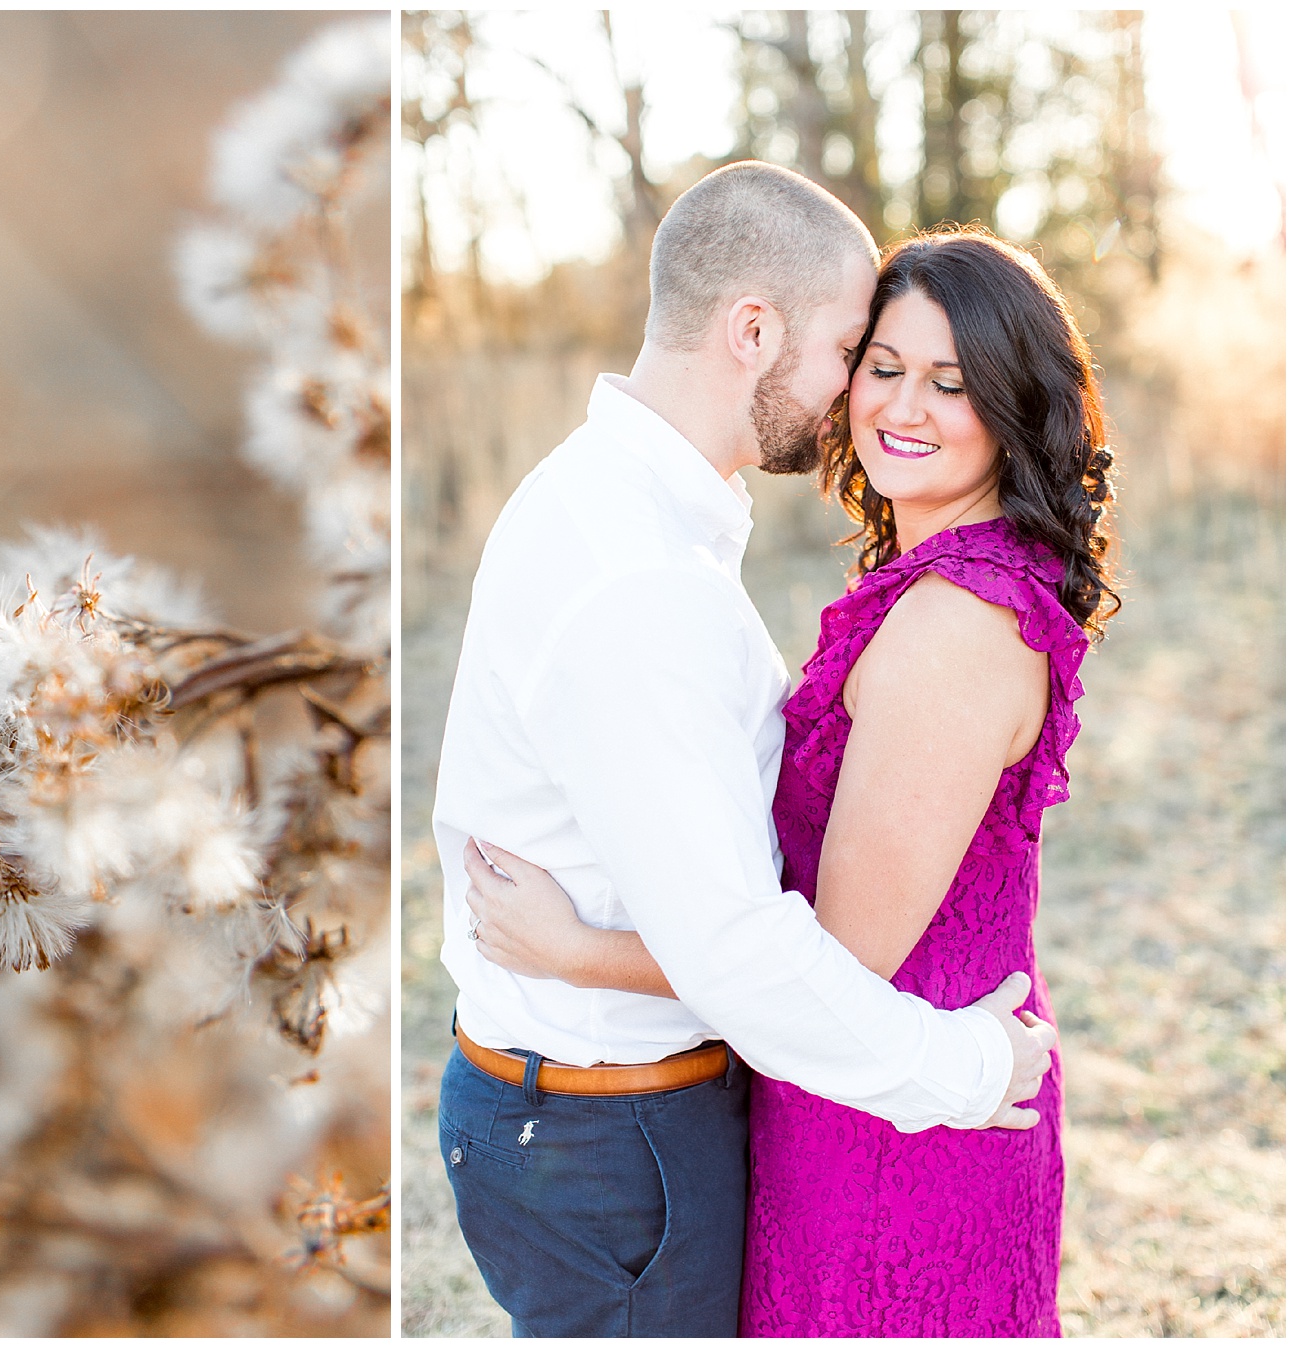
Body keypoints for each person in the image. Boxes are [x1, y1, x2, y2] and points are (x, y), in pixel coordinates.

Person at [432, 159, 1060, 1339]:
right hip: (608, 1132)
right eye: (853, 355)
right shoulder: (640, 572)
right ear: (753, 329)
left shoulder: (628, 509)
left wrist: (579, 948)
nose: (856, 398)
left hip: (638, 1114)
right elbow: (739, 948)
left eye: (938, 378)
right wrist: (970, 1071)